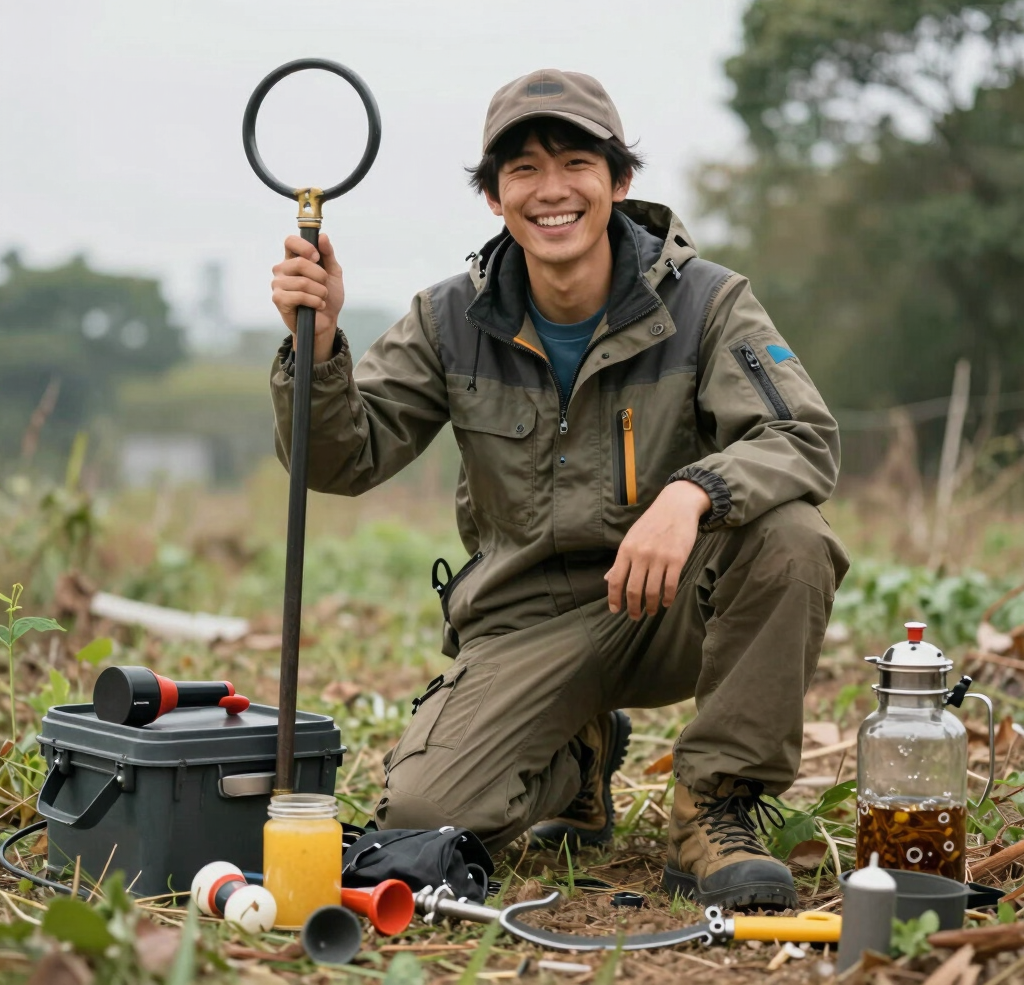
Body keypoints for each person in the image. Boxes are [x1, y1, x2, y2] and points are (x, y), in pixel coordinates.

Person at [268, 69, 849, 910]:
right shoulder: (448, 317)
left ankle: (714, 809)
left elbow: (801, 434)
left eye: (575, 162)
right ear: (495, 198)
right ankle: (577, 755)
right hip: (523, 620)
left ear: (618, 181)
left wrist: (689, 496)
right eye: (522, 171)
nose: (551, 191)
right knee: (429, 819)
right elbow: (339, 460)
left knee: (793, 537)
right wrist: (315, 352)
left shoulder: (709, 303)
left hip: (670, 603)